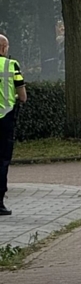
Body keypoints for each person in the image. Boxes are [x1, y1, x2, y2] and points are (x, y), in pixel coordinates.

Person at [0, 35, 27, 216]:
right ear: (3, 48)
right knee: (2, 161)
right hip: (6, 118)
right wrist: (17, 98)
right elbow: (23, 95)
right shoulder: (11, 65)